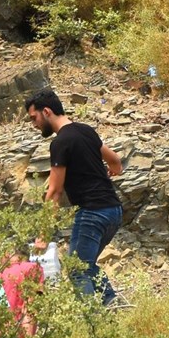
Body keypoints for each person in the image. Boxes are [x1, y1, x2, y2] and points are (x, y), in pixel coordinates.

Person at [25, 89, 124, 306]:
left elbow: (55, 192)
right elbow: (116, 161)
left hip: (92, 212)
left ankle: (94, 323)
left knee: (76, 269)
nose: (34, 124)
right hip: (113, 212)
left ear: (47, 111)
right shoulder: (85, 130)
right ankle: (112, 304)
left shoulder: (60, 142)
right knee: (86, 264)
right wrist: (110, 171)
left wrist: (43, 234)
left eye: (34, 118)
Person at [0, 243, 43, 337]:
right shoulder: (34, 267)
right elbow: (39, 291)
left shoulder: (3, 273)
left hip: (8, 319)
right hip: (24, 318)